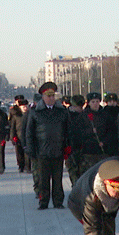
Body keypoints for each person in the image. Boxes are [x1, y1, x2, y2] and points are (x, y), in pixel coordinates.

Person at [26, 82, 71, 210]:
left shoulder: (62, 111)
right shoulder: (35, 112)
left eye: (53, 96)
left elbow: (68, 131)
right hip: (42, 152)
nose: (51, 98)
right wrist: (31, 150)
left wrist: (68, 147)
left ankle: (58, 201)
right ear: (43, 97)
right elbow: (29, 133)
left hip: (58, 150)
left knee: (58, 179)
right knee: (43, 180)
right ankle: (43, 201)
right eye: (48, 96)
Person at [71, 92, 115, 186]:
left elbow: (111, 131)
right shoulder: (82, 116)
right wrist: (90, 132)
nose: (95, 104)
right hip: (88, 153)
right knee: (89, 178)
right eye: (93, 102)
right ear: (89, 103)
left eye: (97, 101)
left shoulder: (105, 116)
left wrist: (104, 142)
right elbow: (77, 133)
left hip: (102, 152)